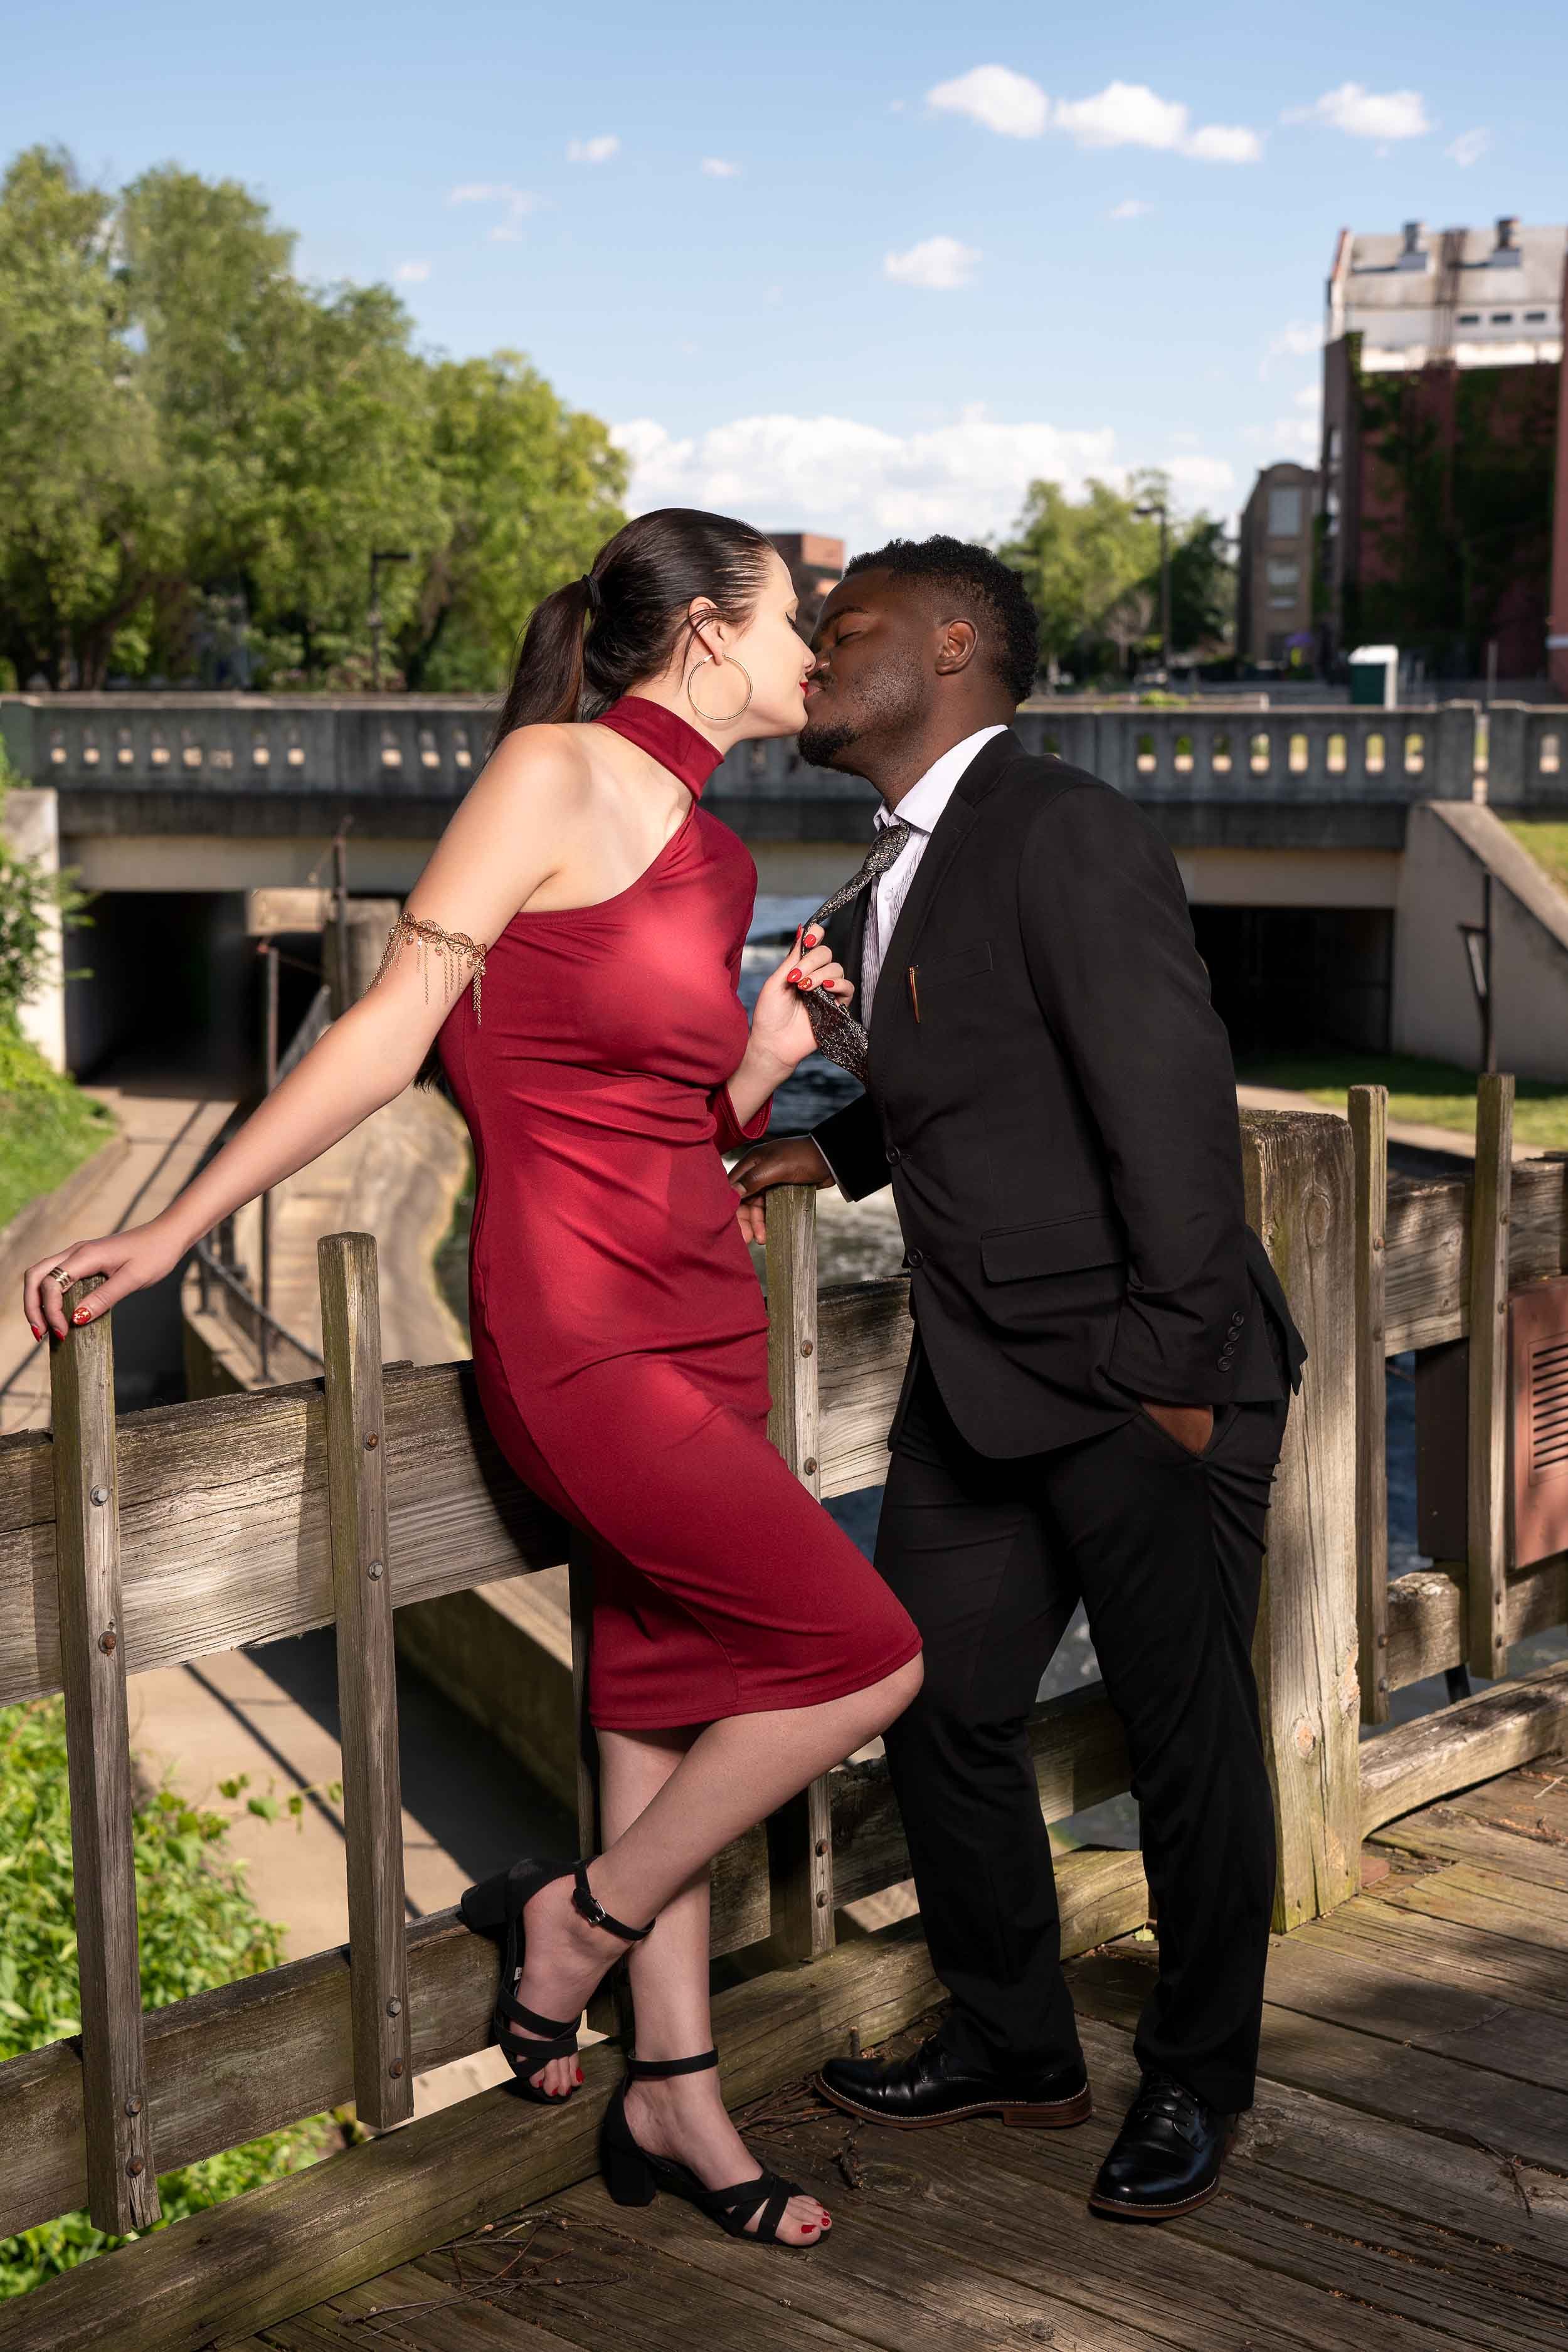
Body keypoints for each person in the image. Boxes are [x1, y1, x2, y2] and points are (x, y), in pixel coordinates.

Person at [21, 509, 924, 2254]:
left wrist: (764, 1057)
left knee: (660, 1697)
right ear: (711, 633)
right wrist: (172, 1222)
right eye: (795, 616)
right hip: (575, 1328)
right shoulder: (548, 773)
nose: (816, 648)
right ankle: (574, 1924)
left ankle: (672, 2088)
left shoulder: (725, 865)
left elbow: (667, 1117)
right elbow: (386, 1032)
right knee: (862, 1655)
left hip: (702, 1306)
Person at [728, 534, 1306, 2224]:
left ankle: (1197, 2080)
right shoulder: (890, 863)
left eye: (851, 630)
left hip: (1138, 1378)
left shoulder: (1063, 827)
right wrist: (823, 1163)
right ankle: (1014, 2045)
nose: (821, 658)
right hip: (978, 1382)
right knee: (934, 1701)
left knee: (1188, 1744)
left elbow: (1167, 1107)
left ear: (956, 642)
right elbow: (971, 1065)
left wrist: (1177, 1382)